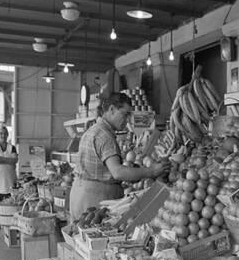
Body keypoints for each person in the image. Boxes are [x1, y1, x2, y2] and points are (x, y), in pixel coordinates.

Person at [69, 92, 170, 222]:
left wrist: (135, 172)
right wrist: (151, 171)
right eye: (125, 114)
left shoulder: (93, 130)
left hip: (80, 194)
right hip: (95, 199)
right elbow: (118, 172)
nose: (127, 120)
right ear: (111, 109)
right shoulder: (105, 136)